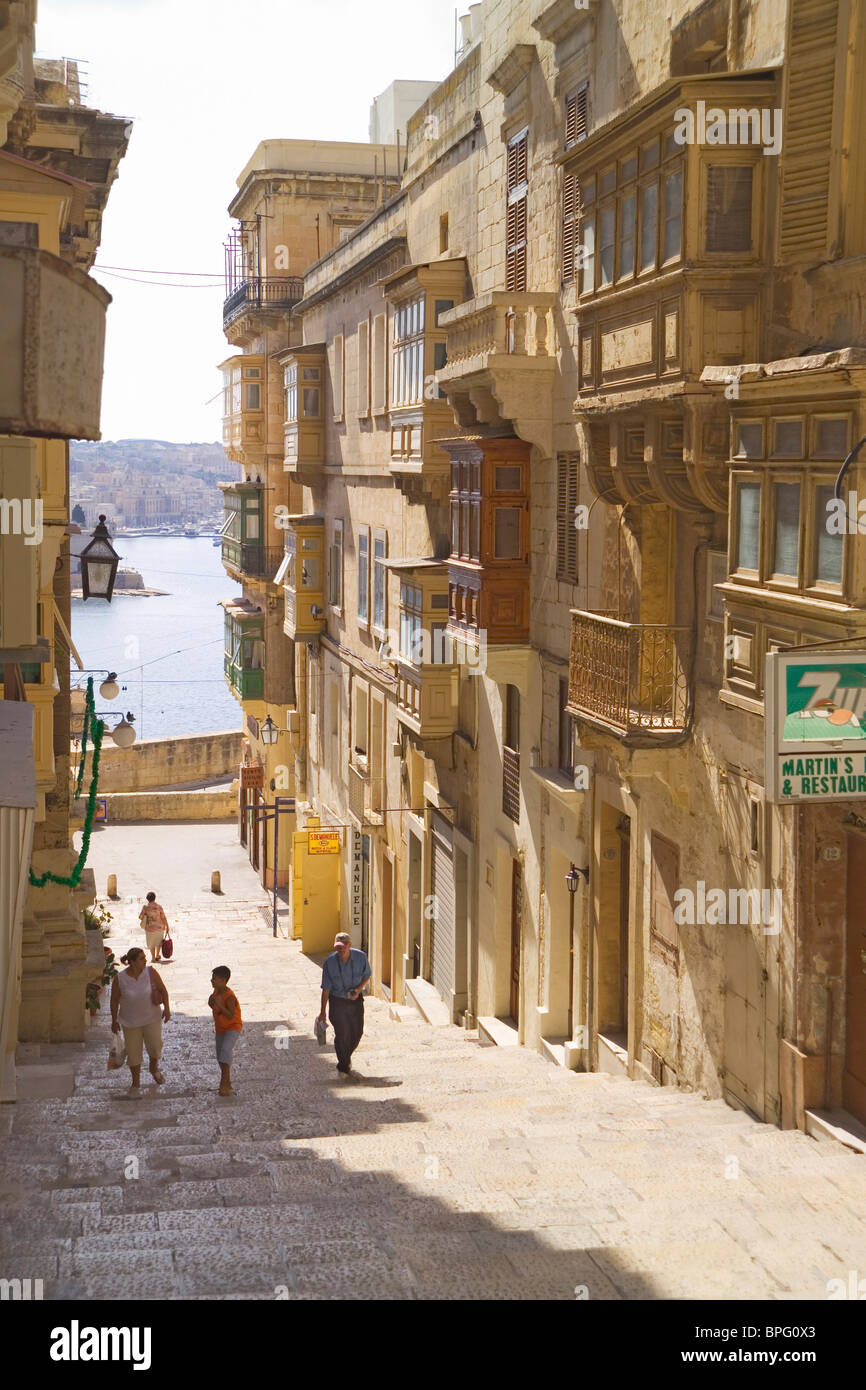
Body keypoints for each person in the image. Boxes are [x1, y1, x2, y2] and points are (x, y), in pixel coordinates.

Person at [110, 947, 170, 1098]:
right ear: (132, 962)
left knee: (156, 1046)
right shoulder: (120, 978)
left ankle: (153, 1067)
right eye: (142, 959)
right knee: (133, 1053)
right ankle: (135, 1084)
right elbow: (114, 999)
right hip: (130, 1022)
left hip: (152, 1018)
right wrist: (114, 1019)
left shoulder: (151, 972)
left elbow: (163, 990)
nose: (145, 961)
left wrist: (167, 1009)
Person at [318, 932, 371, 1077]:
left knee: (357, 1032)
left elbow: (367, 975)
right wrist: (322, 1012)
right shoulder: (330, 963)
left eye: (342, 947)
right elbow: (326, 988)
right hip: (337, 1002)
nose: (339, 950)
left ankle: (345, 1058)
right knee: (342, 1034)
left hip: (355, 1001)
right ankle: (343, 1066)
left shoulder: (360, 957)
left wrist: (358, 990)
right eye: (337, 948)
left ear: (349, 945)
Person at [208, 965, 243, 1097]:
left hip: (233, 1027)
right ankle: (227, 1081)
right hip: (220, 1028)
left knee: (226, 1050)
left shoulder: (230, 997)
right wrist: (211, 1002)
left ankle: (224, 1082)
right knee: (220, 1056)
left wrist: (220, 1005)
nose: (212, 981)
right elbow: (213, 1004)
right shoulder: (216, 992)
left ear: (223, 981)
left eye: (214, 979)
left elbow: (230, 1015)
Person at [138, 891, 168, 963]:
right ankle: (157, 955)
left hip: (150, 928)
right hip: (159, 927)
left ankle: (153, 958)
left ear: (147, 899)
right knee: (159, 942)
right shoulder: (159, 907)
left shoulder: (145, 907)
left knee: (152, 943)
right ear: (155, 898)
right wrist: (167, 925)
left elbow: (140, 917)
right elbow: (163, 917)